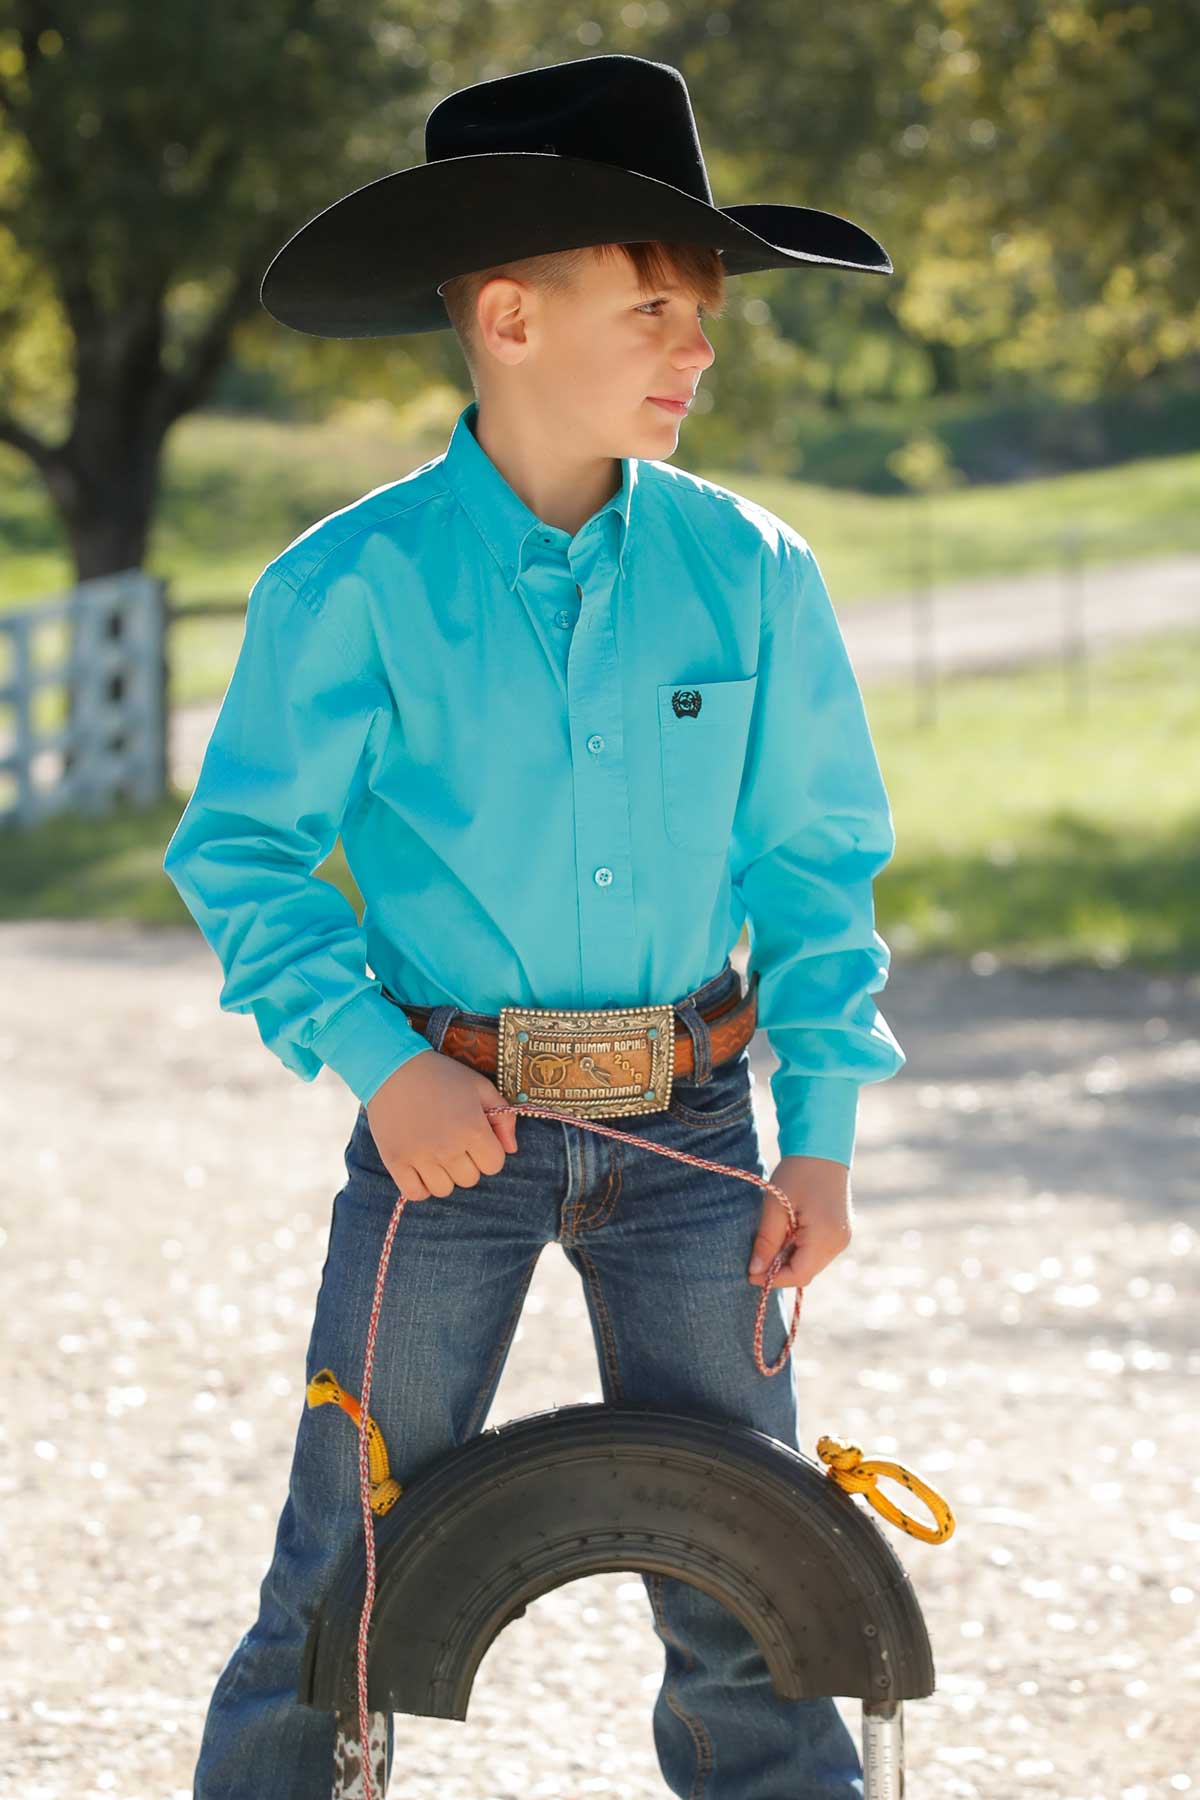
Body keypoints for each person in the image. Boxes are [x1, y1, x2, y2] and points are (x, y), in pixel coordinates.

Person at [164, 52, 906, 1800]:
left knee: (753, 1571)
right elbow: (244, 858)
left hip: (702, 1132)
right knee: (345, 1558)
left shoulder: (756, 573)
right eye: (654, 307)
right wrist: (374, 1066)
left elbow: (814, 873)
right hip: (450, 1135)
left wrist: (828, 1141)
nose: (696, 349)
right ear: (507, 317)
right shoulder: (349, 585)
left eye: (701, 314)